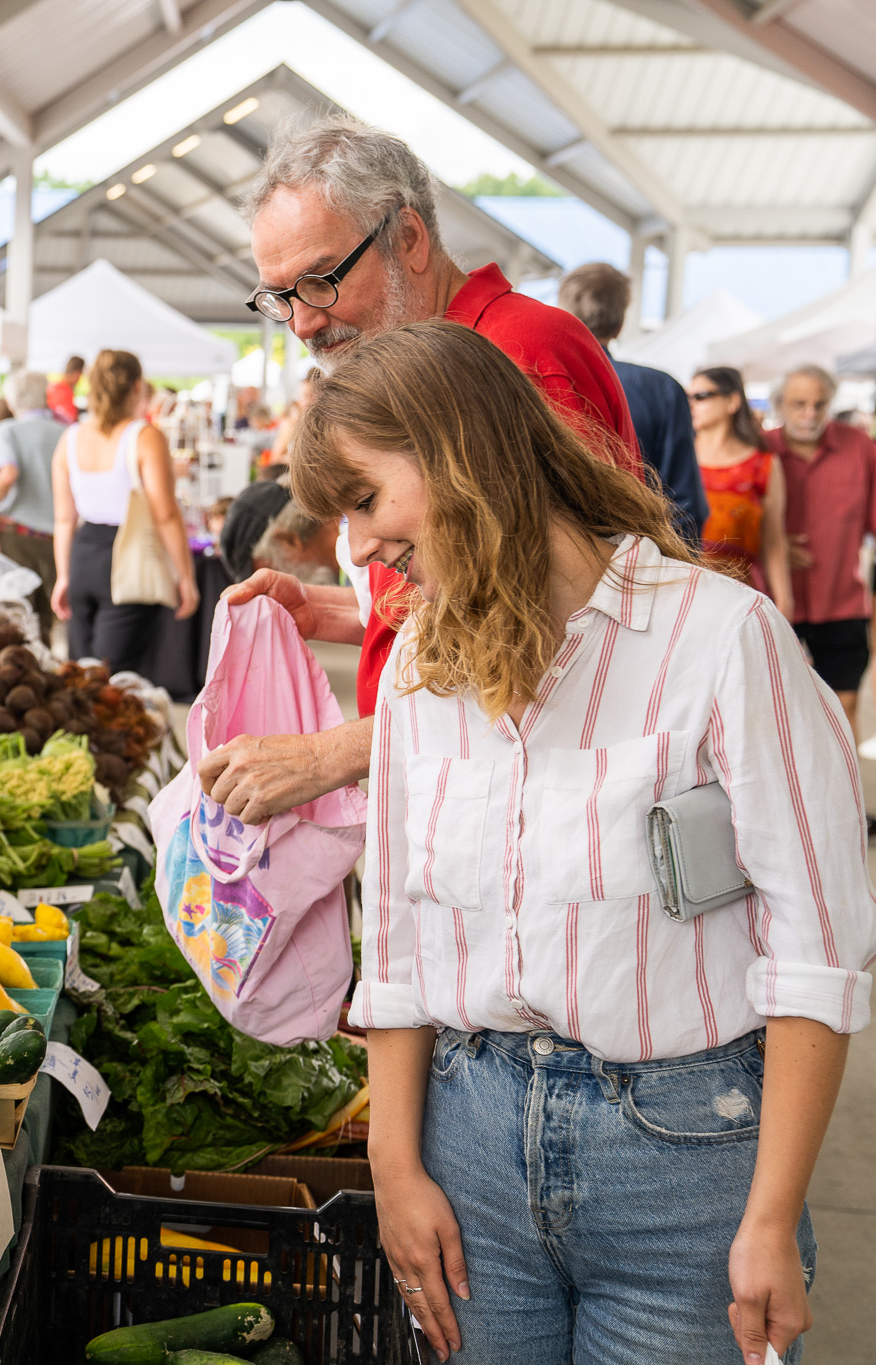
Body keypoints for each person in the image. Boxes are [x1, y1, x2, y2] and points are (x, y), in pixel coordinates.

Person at [290, 319, 868, 1365]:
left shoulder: (719, 641)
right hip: (467, 1158)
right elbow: (401, 949)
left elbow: (816, 957)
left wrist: (770, 1215)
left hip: (684, 1170)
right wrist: (393, 1167)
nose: (364, 545)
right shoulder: (425, 663)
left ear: (457, 455)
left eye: (366, 499)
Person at [200, 112, 641, 826]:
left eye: (318, 282)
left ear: (408, 238)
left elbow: (561, 637)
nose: (302, 323)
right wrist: (346, 611)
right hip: (450, 793)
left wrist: (328, 755)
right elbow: (473, 593)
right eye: (280, 297)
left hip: (526, 812)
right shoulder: (410, 367)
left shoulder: (519, 353)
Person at [51, 349, 198, 670]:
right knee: (116, 678)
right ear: (136, 387)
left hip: (82, 555)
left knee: (79, 675)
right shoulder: (144, 436)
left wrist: (63, 575)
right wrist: (185, 576)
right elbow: (166, 514)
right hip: (127, 557)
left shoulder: (70, 438)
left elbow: (64, 519)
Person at [557, 261, 708, 542]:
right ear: (620, 323)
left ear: (564, 312)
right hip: (641, 563)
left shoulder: (532, 381)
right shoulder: (662, 389)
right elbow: (685, 504)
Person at [767, 364, 876, 739]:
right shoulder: (761, 450)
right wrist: (776, 546)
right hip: (774, 602)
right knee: (777, 710)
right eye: (799, 404)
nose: (809, 414)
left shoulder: (859, 446)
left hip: (841, 601)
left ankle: (842, 794)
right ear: (780, 404)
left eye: (819, 404)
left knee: (843, 708)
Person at [690, 366, 793, 614]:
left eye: (700, 396)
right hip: (684, 594)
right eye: (687, 396)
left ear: (732, 401)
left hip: (739, 597)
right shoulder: (678, 456)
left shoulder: (762, 466)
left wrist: (785, 602)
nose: (690, 403)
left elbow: (773, 542)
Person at [0, 370, 62, 639]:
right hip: (57, 540)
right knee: (47, 621)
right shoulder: (67, 430)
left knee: (17, 618)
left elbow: (8, 474)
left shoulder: (8, 431)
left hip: (18, 536)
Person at [46, 354, 83, 423]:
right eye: (80, 375)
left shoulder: (55, 386)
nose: (79, 379)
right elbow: (70, 417)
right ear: (77, 373)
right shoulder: (62, 390)